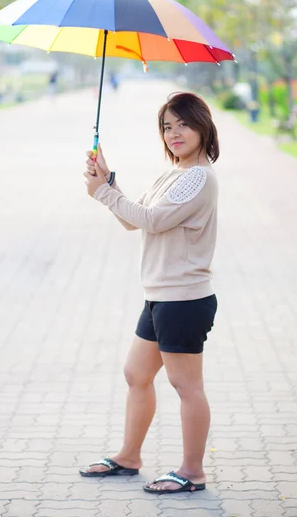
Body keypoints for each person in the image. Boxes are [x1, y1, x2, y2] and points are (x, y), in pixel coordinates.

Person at [81, 91, 219, 495]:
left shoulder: (198, 176)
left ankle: (192, 472)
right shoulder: (172, 173)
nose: (174, 133)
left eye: (183, 124)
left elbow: (153, 221)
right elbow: (132, 220)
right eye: (167, 126)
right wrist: (107, 181)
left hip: (184, 299)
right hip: (161, 295)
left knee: (186, 386)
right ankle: (129, 456)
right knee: (136, 374)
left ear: (202, 127)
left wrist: (104, 191)